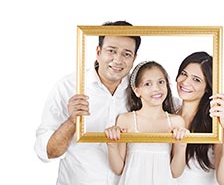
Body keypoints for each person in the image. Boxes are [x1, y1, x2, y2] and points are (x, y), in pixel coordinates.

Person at [34, 20, 141, 185]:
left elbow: (180, 110)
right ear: (98, 52)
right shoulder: (68, 86)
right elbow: (47, 152)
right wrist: (72, 121)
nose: (118, 60)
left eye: (126, 54)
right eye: (111, 51)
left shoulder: (143, 90)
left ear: (134, 58)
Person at [104, 61, 189, 185]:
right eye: (147, 84)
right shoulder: (126, 120)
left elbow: (175, 172)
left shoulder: (176, 122)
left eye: (161, 82)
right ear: (137, 90)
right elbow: (118, 169)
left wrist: (182, 145)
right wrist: (111, 145)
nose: (156, 88)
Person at [174, 52, 224, 185]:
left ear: (208, 88)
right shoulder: (167, 112)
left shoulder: (214, 123)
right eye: (184, 74)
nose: (185, 82)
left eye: (196, 79)